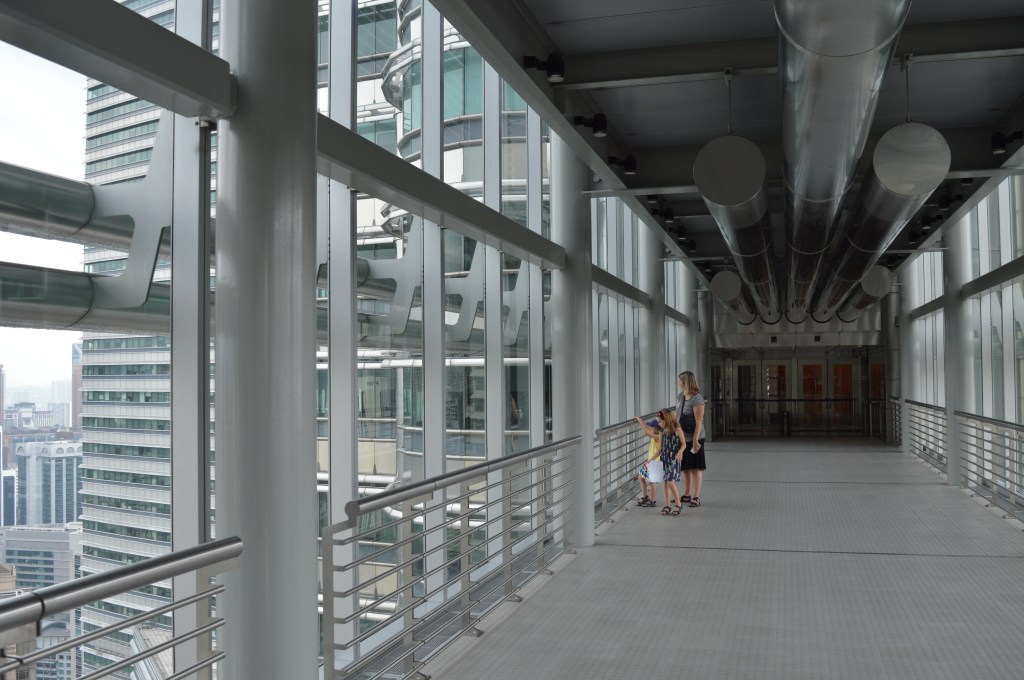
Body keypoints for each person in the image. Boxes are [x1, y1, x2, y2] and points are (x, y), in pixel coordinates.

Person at [638, 409, 684, 515]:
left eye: (660, 422)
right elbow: (660, 449)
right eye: (658, 422)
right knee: (665, 483)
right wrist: (651, 460)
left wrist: (680, 452)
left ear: (666, 419)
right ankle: (667, 505)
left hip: (674, 459)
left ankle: (678, 504)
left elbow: (683, 444)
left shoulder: (677, 430)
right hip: (664, 459)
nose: (659, 424)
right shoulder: (661, 432)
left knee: (670, 482)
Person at [676, 370, 707, 507]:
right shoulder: (681, 396)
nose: (678, 383)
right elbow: (677, 416)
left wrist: (695, 440)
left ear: (685, 382)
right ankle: (687, 494)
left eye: (680, 380)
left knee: (695, 468)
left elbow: (699, 421)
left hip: (696, 437)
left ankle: (696, 496)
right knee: (685, 467)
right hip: (683, 438)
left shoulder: (697, 398)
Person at [633, 416, 662, 507]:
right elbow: (647, 429)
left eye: (652, 427)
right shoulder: (656, 435)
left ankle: (653, 500)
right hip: (651, 461)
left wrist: (639, 419)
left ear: (656, 429)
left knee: (651, 481)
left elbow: (646, 431)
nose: (650, 428)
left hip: (655, 461)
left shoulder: (657, 437)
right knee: (641, 477)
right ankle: (645, 497)